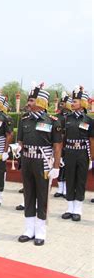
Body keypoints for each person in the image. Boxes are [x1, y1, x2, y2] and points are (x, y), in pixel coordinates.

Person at [17, 82, 62, 246]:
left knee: (42, 196)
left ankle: (40, 232)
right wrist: (16, 148)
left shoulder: (52, 121)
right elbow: (20, 141)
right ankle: (29, 230)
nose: (29, 103)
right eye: (29, 100)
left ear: (41, 102)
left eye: (32, 100)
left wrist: (56, 167)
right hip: (27, 160)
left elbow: (57, 146)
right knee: (28, 195)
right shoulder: (24, 120)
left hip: (43, 162)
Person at [61, 86, 93, 221]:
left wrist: (92, 157)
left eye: (75, 101)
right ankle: (69, 207)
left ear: (83, 103)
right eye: (72, 101)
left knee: (80, 180)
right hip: (69, 152)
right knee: (70, 178)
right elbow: (63, 137)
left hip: (82, 153)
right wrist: (62, 155)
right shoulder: (67, 118)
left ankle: (78, 209)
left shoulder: (89, 120)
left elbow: (92, 140)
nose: (72, 103)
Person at [54, 92, 72, 198]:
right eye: (61, 103)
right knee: (59, 165)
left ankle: (66, 189)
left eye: (64, 103)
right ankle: (60, 188)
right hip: (59, 144)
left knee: (67, 167)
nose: (61, 105)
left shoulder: (71, 117)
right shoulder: (57, 117)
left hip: (69, 145)